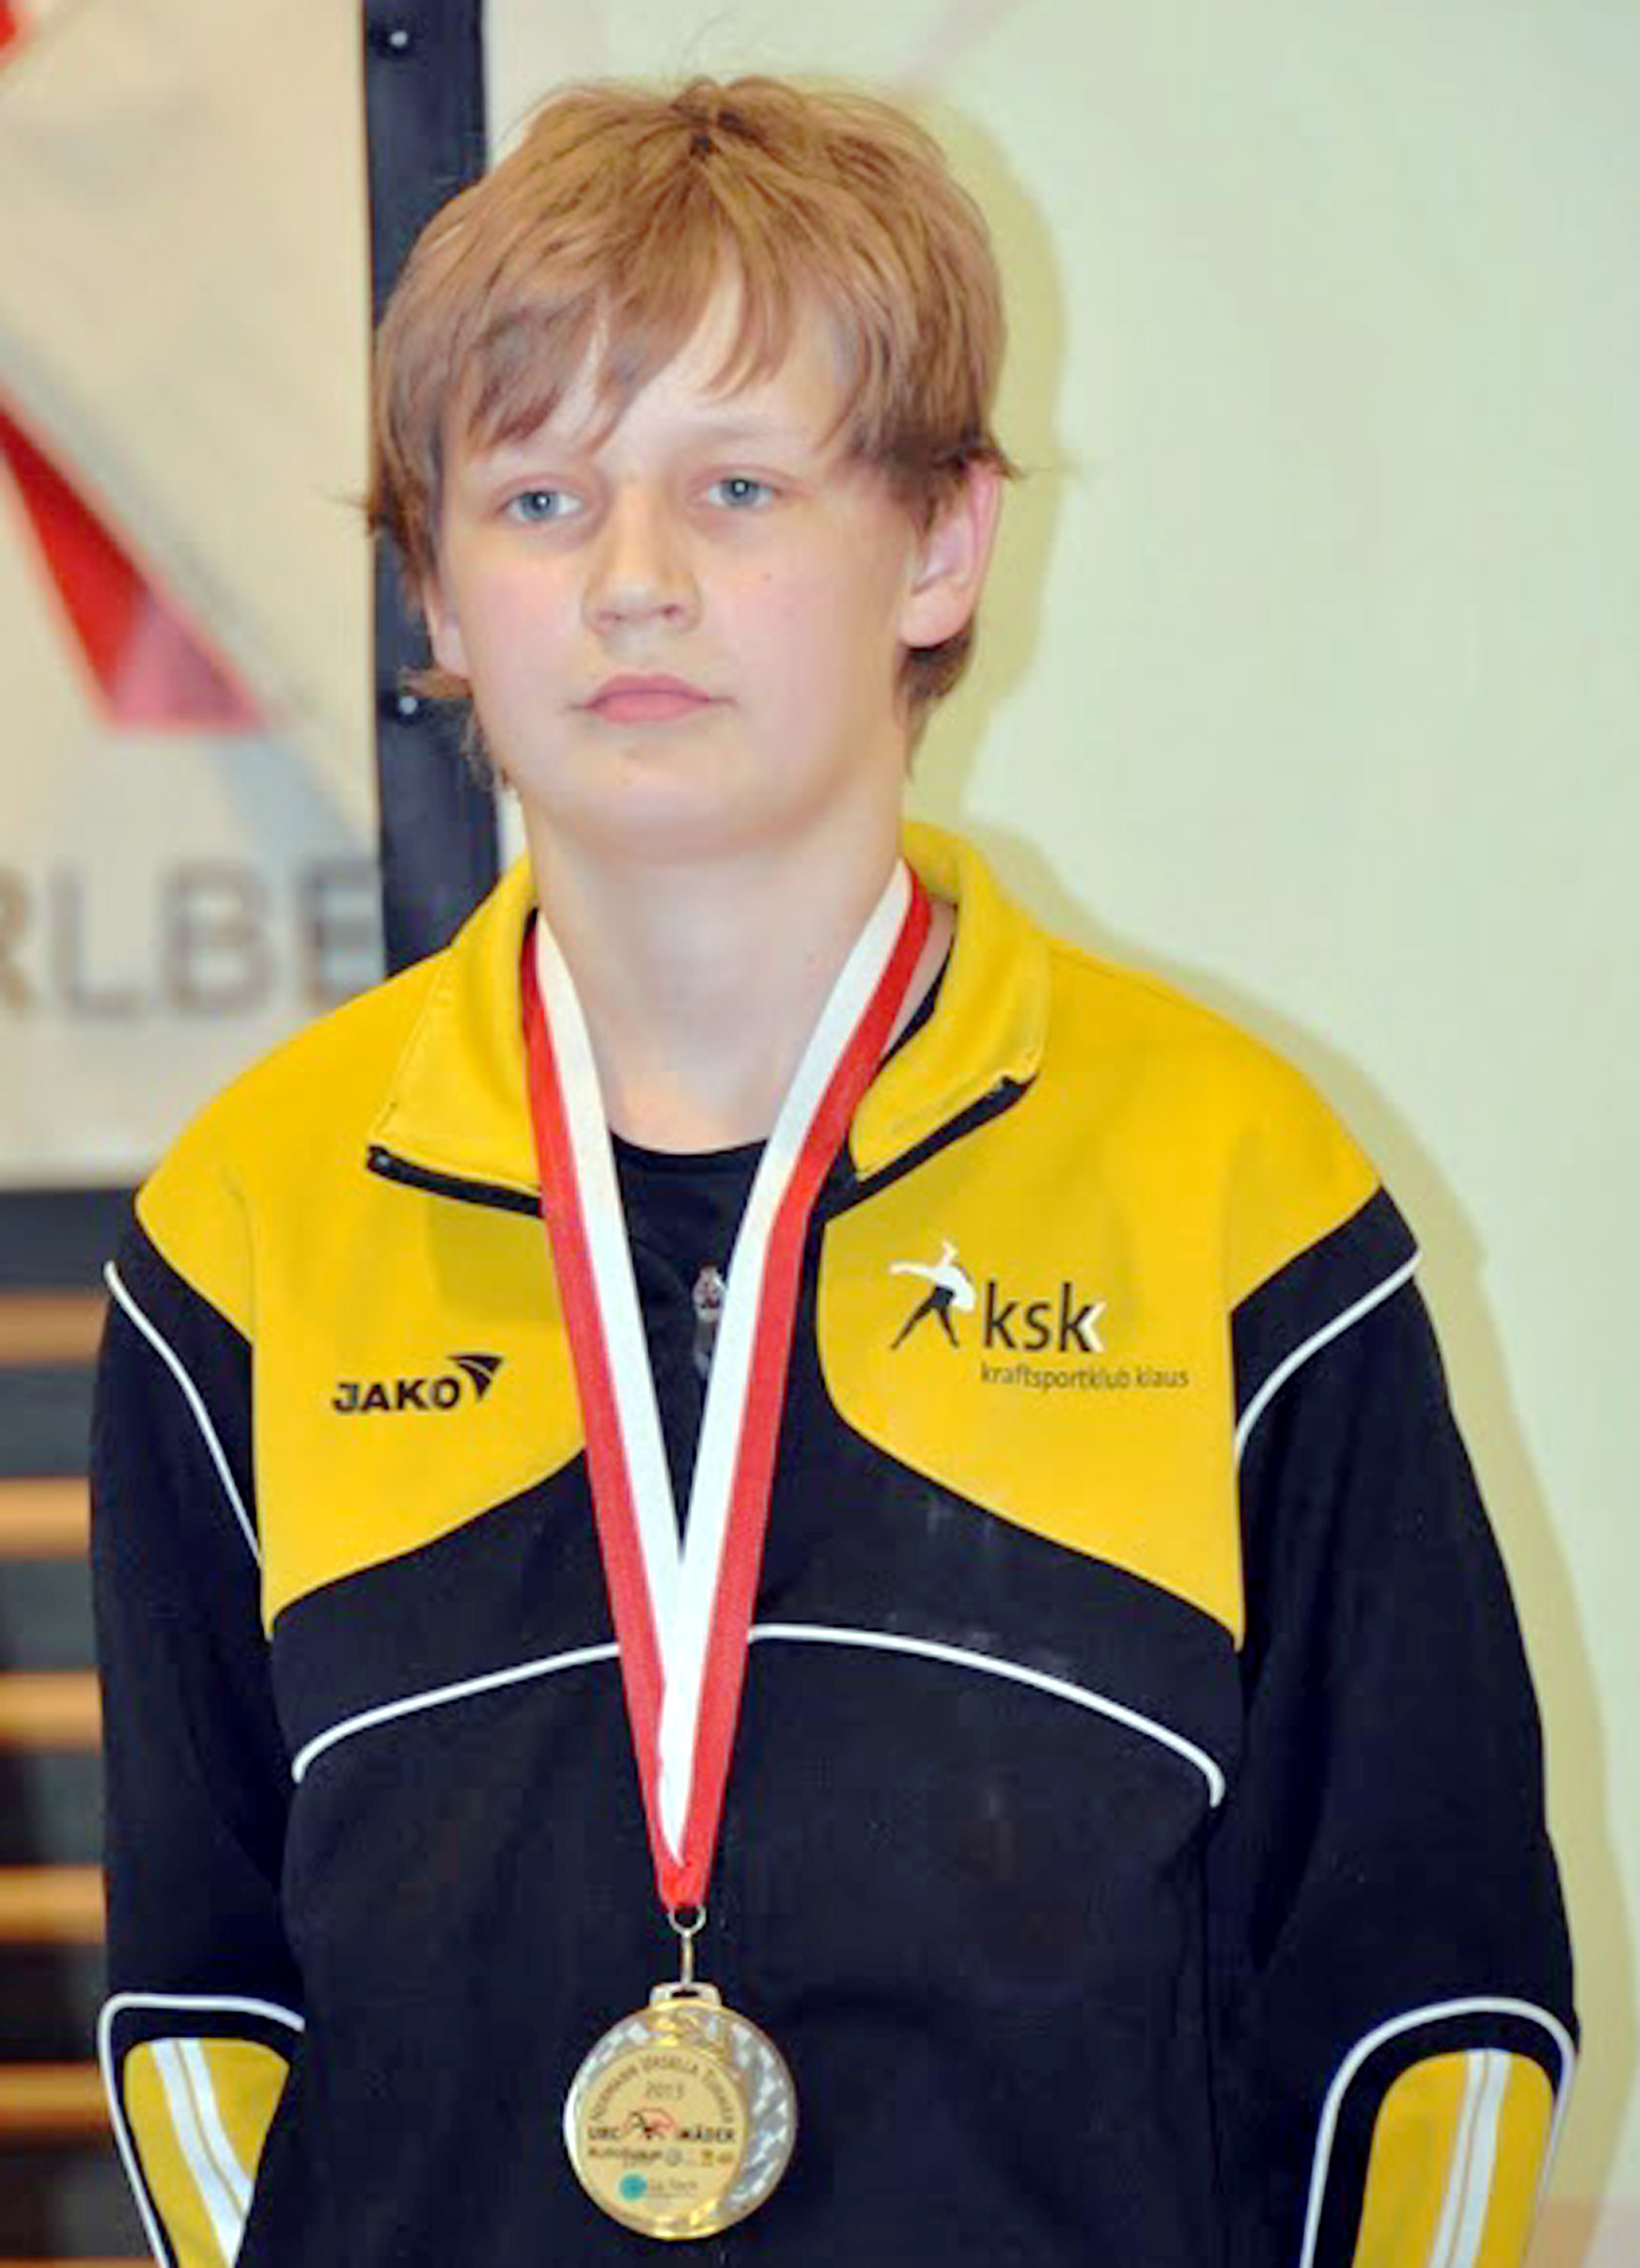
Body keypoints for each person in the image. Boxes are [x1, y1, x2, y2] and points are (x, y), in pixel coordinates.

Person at [91, 74, 1575, 2267]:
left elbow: (1428, 2013)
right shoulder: (246, 1233)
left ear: (941, 544)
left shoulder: (1231, 1192)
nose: (632, 583)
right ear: (433, 588)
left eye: (739, 485)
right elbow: (202, 2010)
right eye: (536, 497)